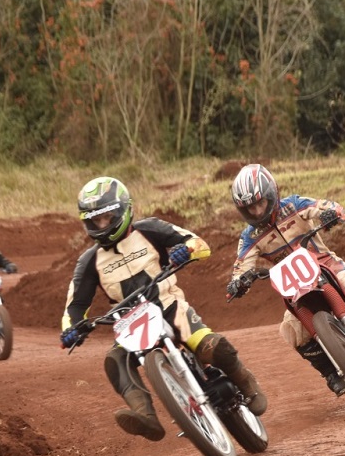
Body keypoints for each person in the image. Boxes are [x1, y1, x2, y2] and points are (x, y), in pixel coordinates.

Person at [59, 176, 267, 441]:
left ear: (124, 209)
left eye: (107, 217)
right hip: (130, 324)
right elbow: (75, 305)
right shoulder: (88, 261)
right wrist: (71, 330)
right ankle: (145, 416)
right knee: (114, 361)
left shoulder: (151, 229)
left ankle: (246, 381)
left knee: (214, 347)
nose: (102, 224)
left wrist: (184, 250)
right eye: (94, 220)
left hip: (169, 307)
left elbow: (199, 244)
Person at [227, 164, 345, 396]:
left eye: (260, 203)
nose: (257, 211)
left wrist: (332, 213)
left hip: (328, 267)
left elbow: (326, 206)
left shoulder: (294, 205)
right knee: (291, 330)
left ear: (272, 194)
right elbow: (240, 266)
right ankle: (331, 373)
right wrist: (238, 282)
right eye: (250, 208)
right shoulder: (249, 237)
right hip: (295, 289)